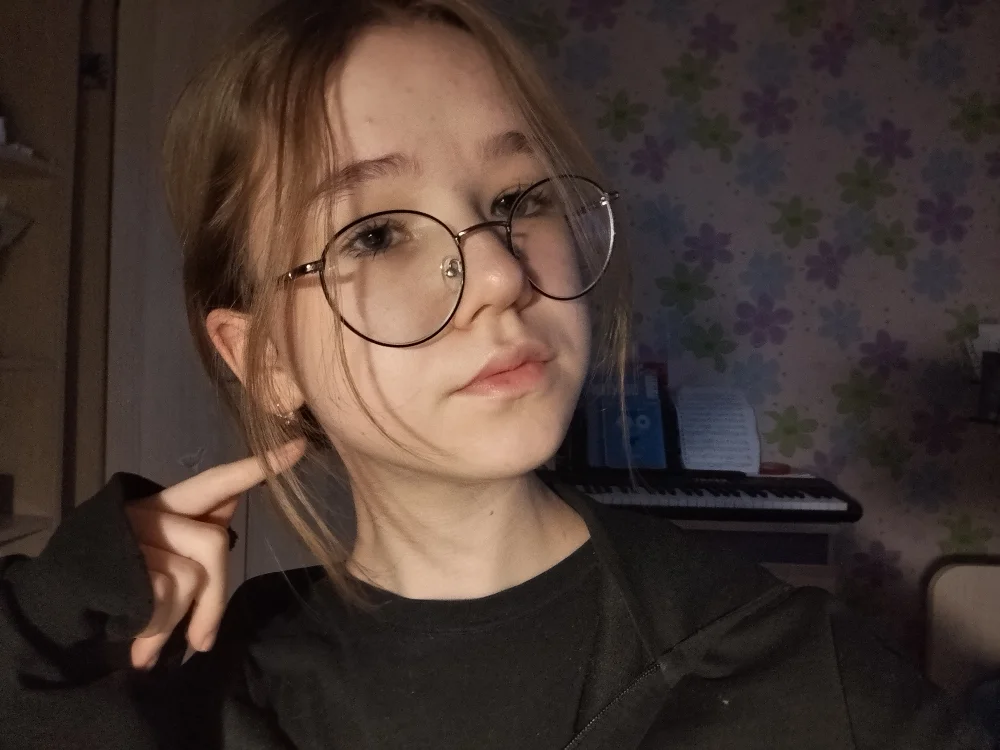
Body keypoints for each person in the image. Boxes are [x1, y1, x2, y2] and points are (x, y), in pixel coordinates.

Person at [0, 1, 992, 748]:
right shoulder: (196, 692)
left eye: (519, 199)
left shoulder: (805, 679)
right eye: (376, 233)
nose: (501, 276)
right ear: (261, 358)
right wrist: (42, 616)